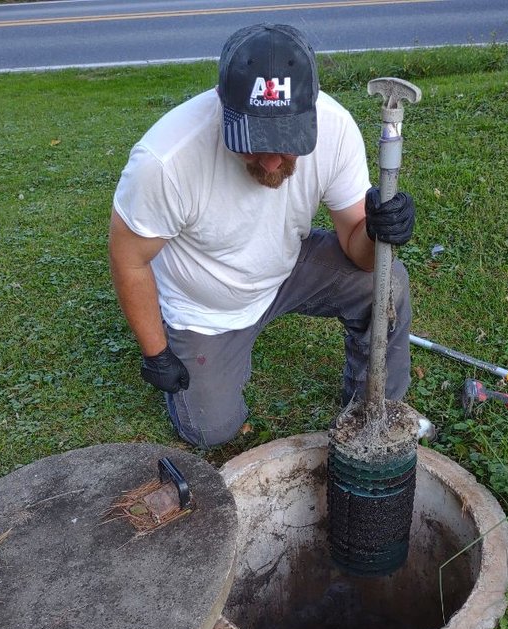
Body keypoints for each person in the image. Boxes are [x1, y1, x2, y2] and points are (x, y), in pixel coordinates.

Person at [109, 23, 416, 448]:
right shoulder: (166, 159)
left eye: (287, 142)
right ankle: (206, 355)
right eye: (254, 142)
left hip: (286, 266)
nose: (271, 163)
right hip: (206, 305)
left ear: (310, 111)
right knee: (210, 430)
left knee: (386, 280)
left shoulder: (335, 128)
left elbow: (358, 250)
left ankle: (376, 411)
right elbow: (129, 257)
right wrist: (156, 352)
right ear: (223, 105)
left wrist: (378, 231)